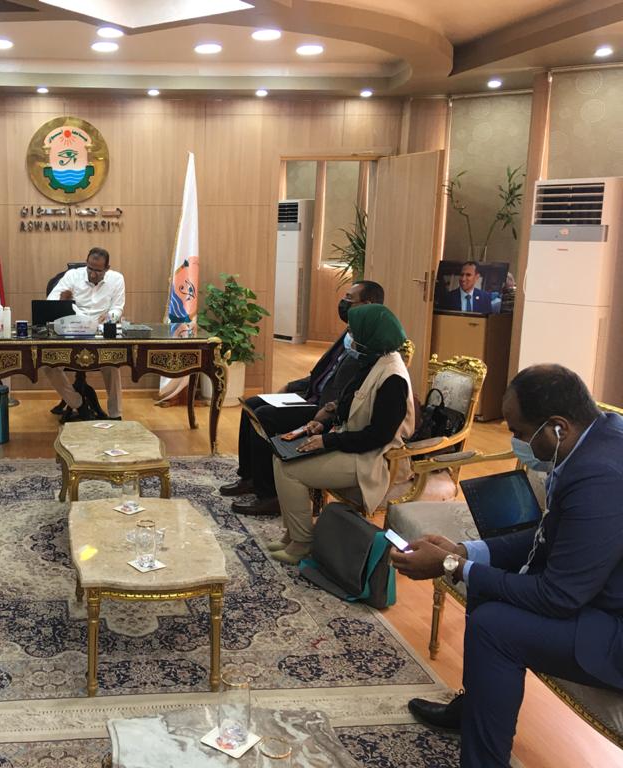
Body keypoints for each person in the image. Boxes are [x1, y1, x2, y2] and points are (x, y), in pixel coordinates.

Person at [391, 365, 623, 768]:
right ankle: (474, 709)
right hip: (598, 590)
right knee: (486, 586)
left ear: (558, 427)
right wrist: (465, 551)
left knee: (493, 627)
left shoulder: (601, 476)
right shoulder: (596, 437)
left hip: (613, 627)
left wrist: (451, 565)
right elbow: (548, 535)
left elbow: (558, 596)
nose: (516, 442)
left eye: (520, 432)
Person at [222, 280, 386, 516]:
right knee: (252, 403)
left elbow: (356, 391)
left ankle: (271, 496)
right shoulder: (349, 332)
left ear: (367, 305)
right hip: (310, 395)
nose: (343, 303)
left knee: (265, 416)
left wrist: (328, 410)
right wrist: (290, 386)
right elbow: (323, 373)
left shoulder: (369, 343)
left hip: (325, 410)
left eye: (350, 299)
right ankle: (250, 477)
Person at [269, 304, 415, 564]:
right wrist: (324, 423)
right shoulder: (372, 360)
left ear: (371, 333)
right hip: (351, 443)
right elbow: (352, 403)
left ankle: (303, 542)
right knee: (280, 455)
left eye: (354, 332)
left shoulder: (393, 378)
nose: (350, 337)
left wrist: (328, 441)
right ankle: (292, 533)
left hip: (372, 459)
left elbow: (378, 436)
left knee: (289, 470)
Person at [43, 247, 126, 421]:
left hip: (100, 330)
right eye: (90, 268)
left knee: (112, 362)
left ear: (107, 268)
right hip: (72, 329)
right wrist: (64, 302)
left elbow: (117, 307)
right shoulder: (73, 276)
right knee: (48, 365)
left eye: (98, 271)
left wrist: (110, 316)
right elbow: (51, 301)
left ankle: (115, 415)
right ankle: (77, 403)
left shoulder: (117, 279)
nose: (93, 274)